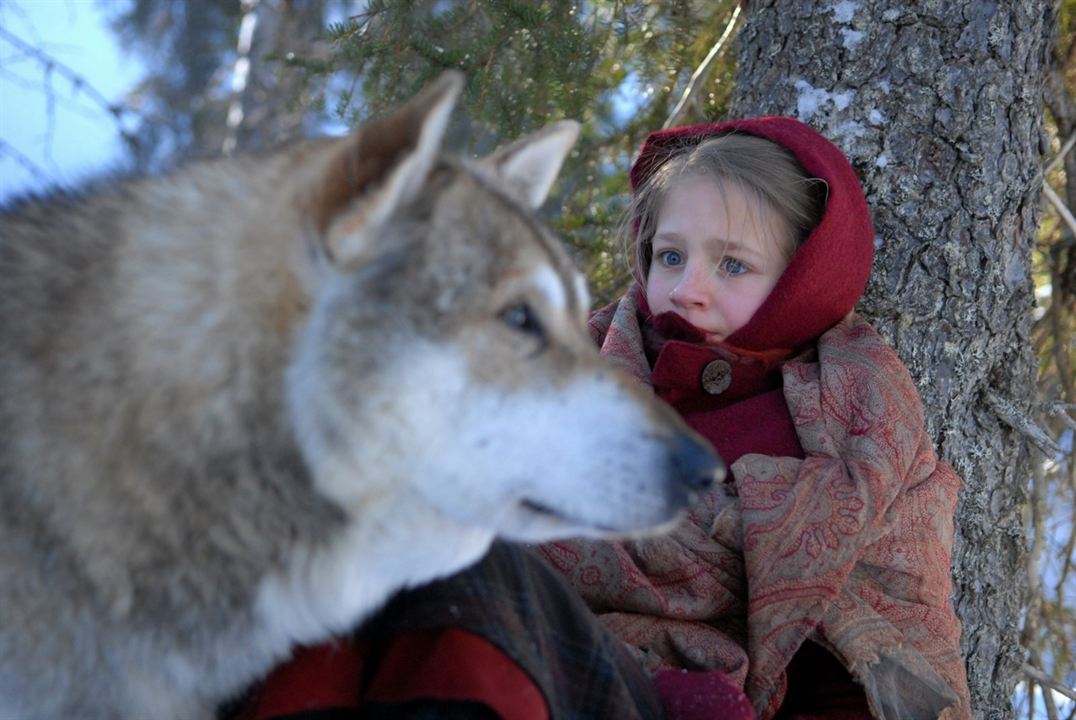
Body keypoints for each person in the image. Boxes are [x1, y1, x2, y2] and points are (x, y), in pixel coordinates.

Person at [225, 117, 972, 720]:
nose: (688, 287)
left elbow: (881, 645)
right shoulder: (567, 355)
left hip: (680, 698)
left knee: (474, 563)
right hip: (505, 652)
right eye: (669, 255)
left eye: (733, 265)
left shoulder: (859, 423)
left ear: (802, 280)